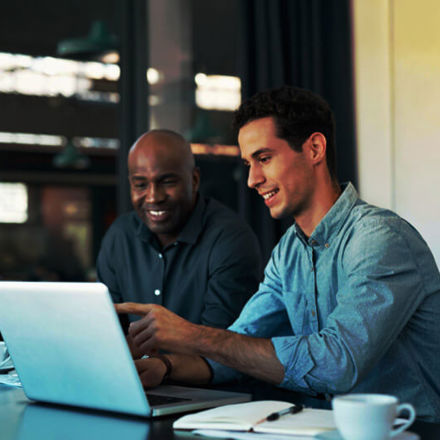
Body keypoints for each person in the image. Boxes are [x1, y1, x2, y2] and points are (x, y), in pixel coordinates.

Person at [116, 87, 440, 421]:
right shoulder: (288, 252)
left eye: (264, 159)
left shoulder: (380, 239)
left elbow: (338, 363)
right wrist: (164, 366)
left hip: (410, 431)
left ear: (314, 148)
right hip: (323, 429)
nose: (253, 180)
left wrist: (191, 334)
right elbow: (237, 346)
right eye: (247, 163)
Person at [97, 129, 262, 332]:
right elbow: (108, 329)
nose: (153, 197)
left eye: (167, 182)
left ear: (194, 180)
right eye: (140, 184)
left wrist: (163, 363)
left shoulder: (230, 239)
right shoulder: (120, 237)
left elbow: (223, 344)